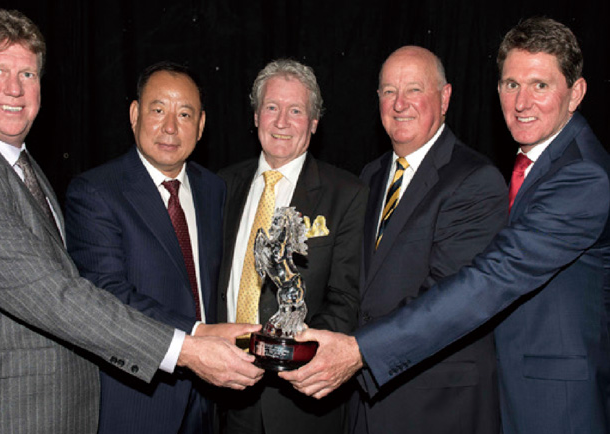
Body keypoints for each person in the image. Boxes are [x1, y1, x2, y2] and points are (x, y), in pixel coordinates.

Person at [0, 9, 261, 433]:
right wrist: (187, 348)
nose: (14, 89)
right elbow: (51, 294)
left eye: (27, 74)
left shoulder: (13, 162)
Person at [280, 17, 610, 434]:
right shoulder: (535, 165)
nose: (522, 102)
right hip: (494, 395)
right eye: (511, 85)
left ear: (575, 93)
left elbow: (491, 279)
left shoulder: (582, 177)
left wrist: (361, 351)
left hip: (553, 405)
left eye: (539, 85)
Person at [64, 61, 231, 434]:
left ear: (201, 125)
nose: (170, 127)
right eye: (158, 110)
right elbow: (107, 294)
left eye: (184, 114)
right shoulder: (95, 192)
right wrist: (198, 336)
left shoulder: (213, 189)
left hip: (208, 400)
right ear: (134, 114)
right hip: (137, 400)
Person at [349, 45, 506, 434]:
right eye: (388, 91)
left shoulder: (475, 179)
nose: (399, 104)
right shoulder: (369, 176)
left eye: (414, 90)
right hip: (363, 400)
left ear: (445, 97)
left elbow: (449, 299)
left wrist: (357, 352)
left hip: (435, 405)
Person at [216, 59, 368, 434]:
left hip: (300, 401)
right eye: (272, 107)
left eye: (296, 111)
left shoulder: (346, 194)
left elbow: (345, 298)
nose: (282, 122)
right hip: (223, 394)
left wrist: (298, 357)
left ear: (314, 122)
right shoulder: (220, 186)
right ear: (256, 116)